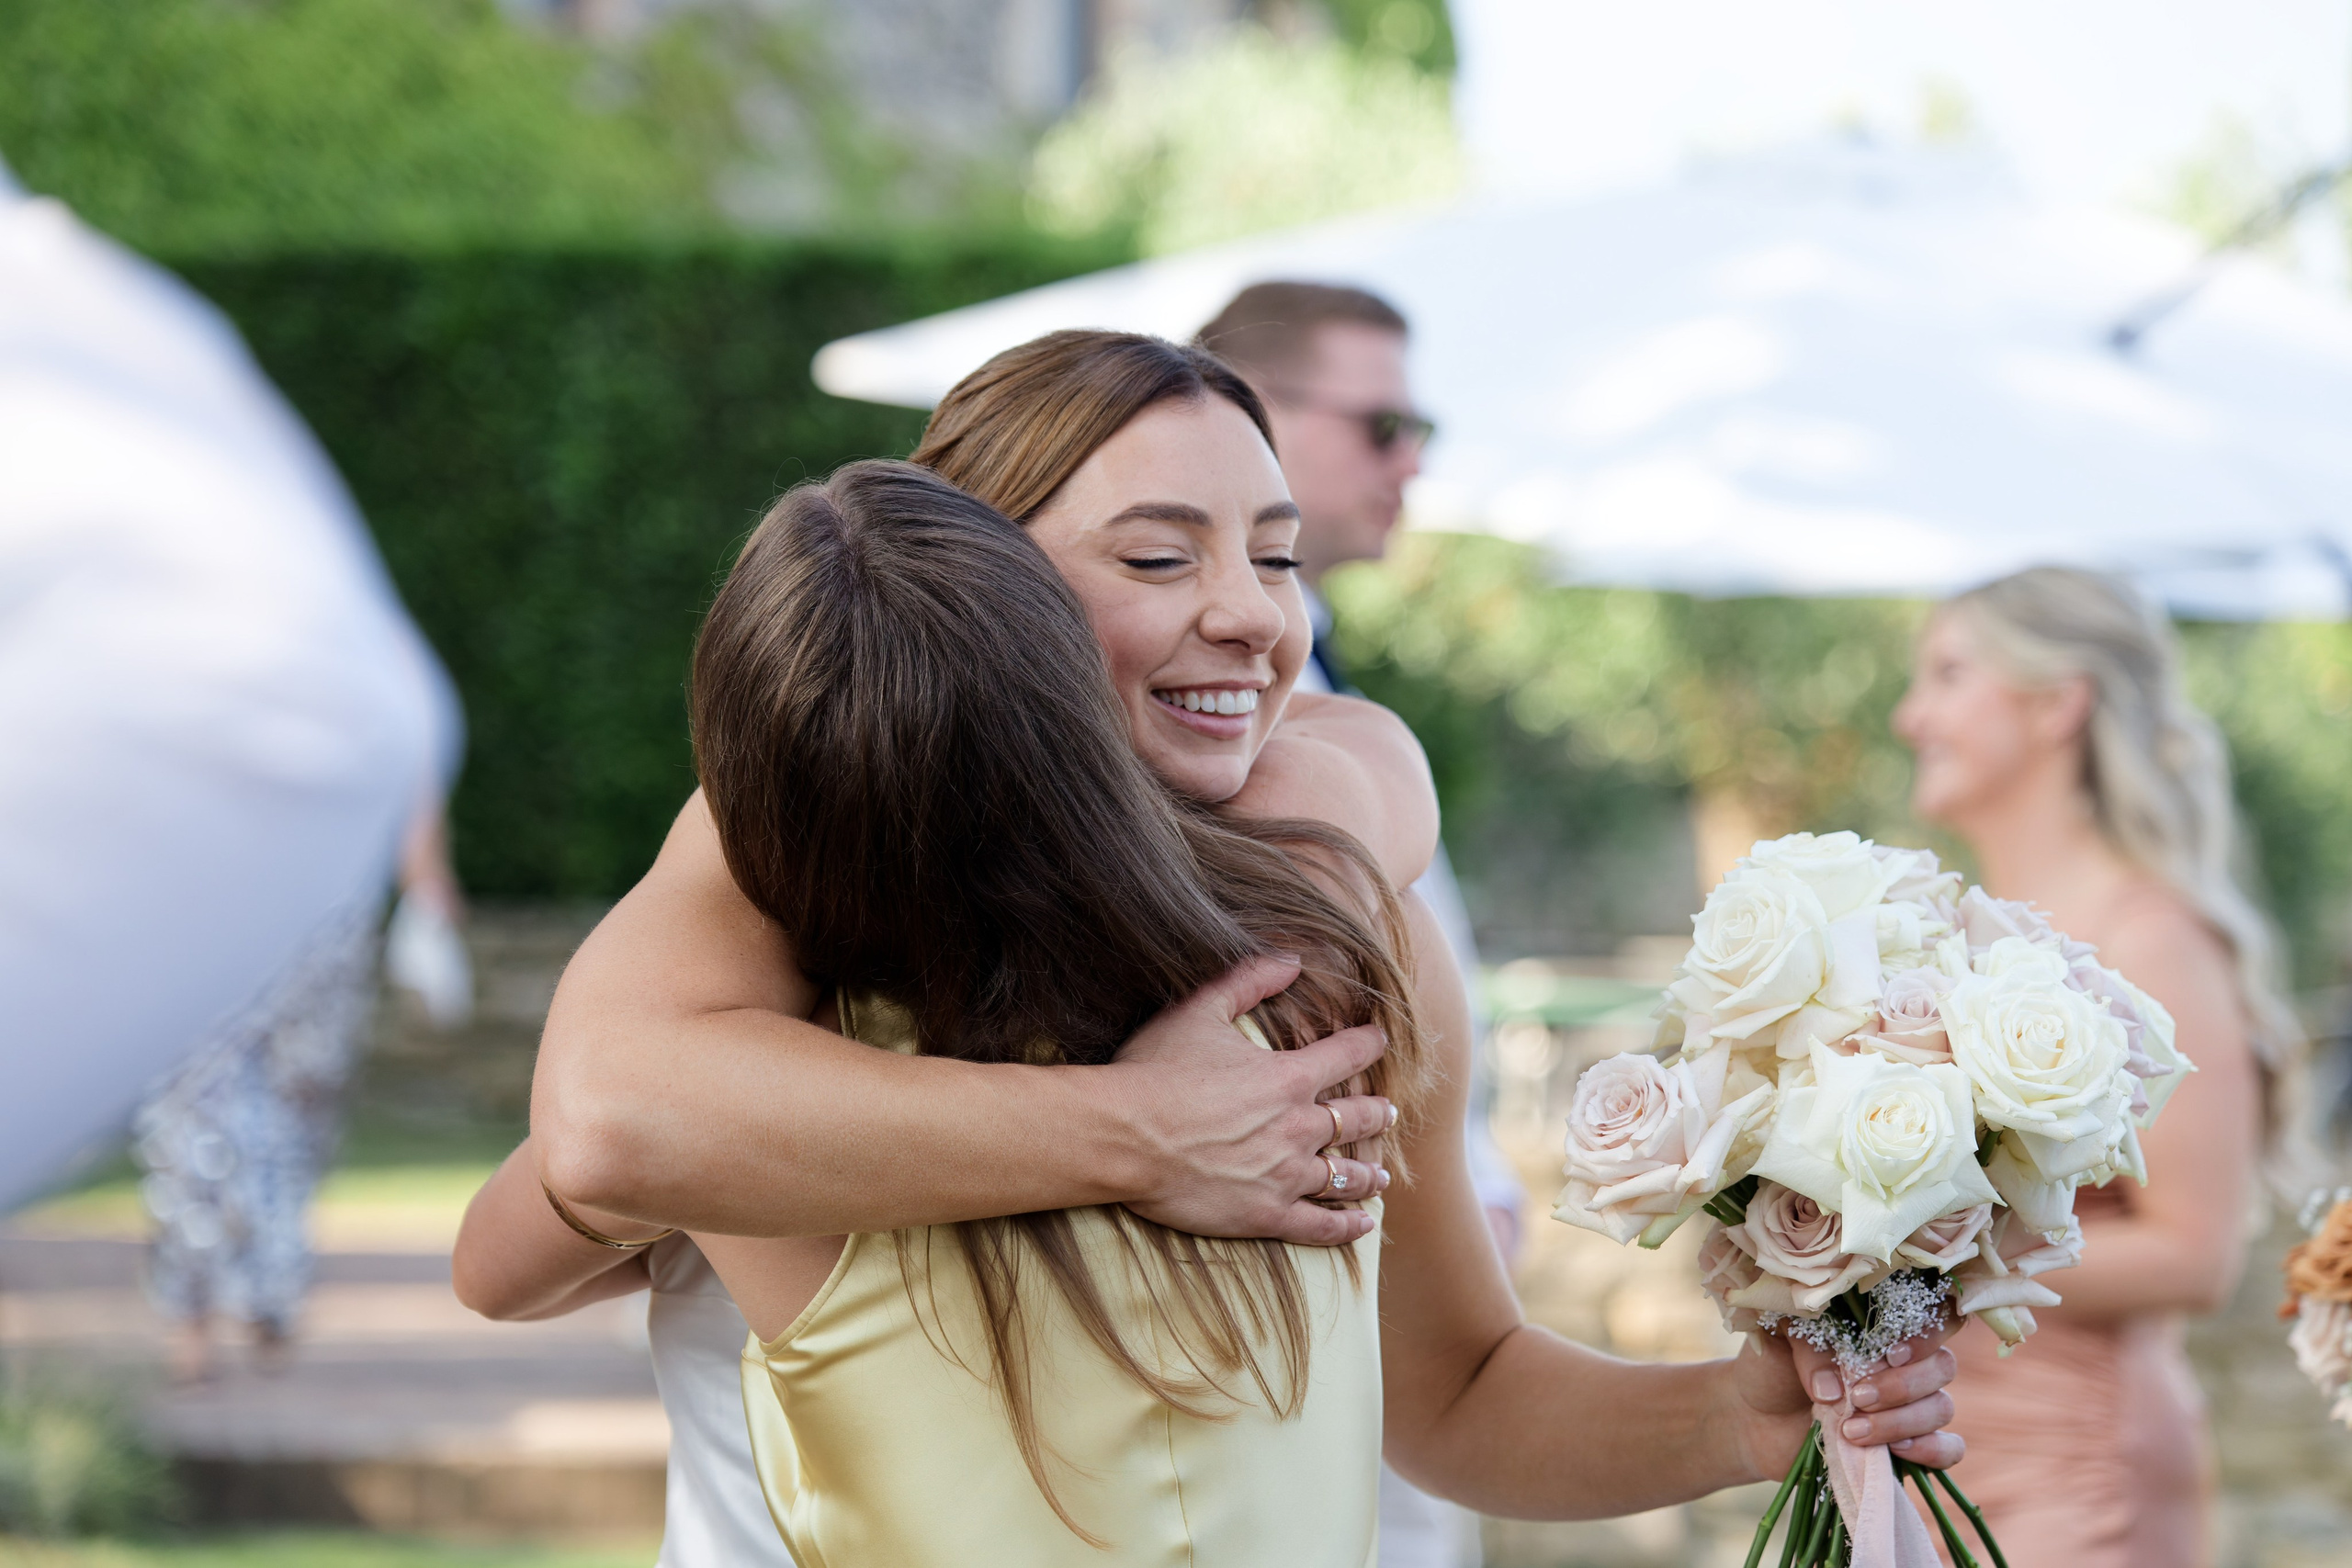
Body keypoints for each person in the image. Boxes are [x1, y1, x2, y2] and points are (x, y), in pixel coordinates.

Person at [455, 333, 1962, 1565]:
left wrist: (1739, 1419)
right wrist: (1135, 1132)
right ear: (973, 581)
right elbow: (555, 1191)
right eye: (1159, 561)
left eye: (1279, 555)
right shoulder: (779, 917)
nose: (1250, 616)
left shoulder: (1331, 950)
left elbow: (1450, 1389)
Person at [0, 159, 452, 1213]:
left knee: (263, 1118)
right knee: (210, 1123)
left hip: (299, 917)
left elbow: (295, 691)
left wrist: (428, 884)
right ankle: (216, 1307)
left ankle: (243, 1303)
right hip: (263, 868)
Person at [1197, 278, 1517, 1568]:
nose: (1416, 458)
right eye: (1384, 423)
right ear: (1254, 412)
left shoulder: (1348, 716)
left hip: (1417, 1357)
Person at [1891, 565, 2300, 1568]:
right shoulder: (1933, 935)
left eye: (1947, 675)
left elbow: (2194, 1256)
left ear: (2054, 703)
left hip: (2071, 1468)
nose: (1910, 716)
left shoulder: (2153, 942)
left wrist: (1913, 1267)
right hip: (1923, 1449)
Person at [138, 800, 468, 1383]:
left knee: (285, 1118)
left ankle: (261, 1294)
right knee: (198, 1113)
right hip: (213, 914)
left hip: (313, 925)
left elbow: (411, 782)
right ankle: (207, 1311)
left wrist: (427, 891)